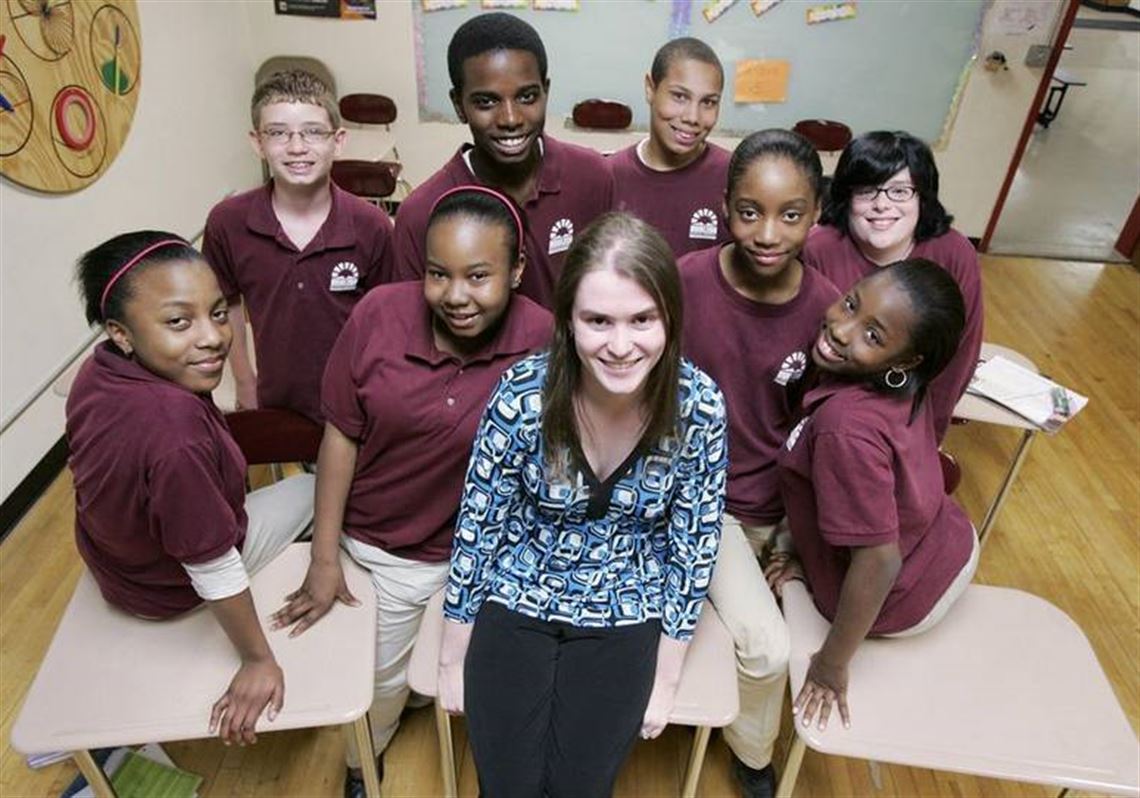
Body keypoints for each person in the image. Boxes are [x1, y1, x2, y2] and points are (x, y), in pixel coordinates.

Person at [269, 187, 551, 798]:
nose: (456, 296)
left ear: (518, 272)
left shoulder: (545, 339)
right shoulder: (377, 315)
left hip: (488, 559)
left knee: (484, 683)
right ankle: (361, 766)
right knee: (384, 685)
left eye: (479, 276)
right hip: (384, 549)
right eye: (438, 274)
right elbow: (340, 436)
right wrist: (323, 559)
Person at [436, 212, 728, 797]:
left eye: (642, 319)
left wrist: (666, 679)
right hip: (519, 590)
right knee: (507, 787)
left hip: (627, 603)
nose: (621, 346)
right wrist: (451, 661)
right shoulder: (522, 396)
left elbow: (694, 548)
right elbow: (478, 529)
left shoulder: (699, 407)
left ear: (670, 316)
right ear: (568, 321)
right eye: (598, 320)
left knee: (580, 788)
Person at [66, 231, 314, 746]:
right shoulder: (175, 438)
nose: (212, 337)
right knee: (317, 489)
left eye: (219, 312)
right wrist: (257, 659)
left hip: (112, 563)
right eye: (179, 322)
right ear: (122, 332)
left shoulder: (97, 371)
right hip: (166, 588)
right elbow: (213, 566)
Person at [678, 128, 839, 796]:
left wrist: (804, 542)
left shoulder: (830, 310)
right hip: (710, 506)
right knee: (768, 646)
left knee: (834, 629)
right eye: (750, 212)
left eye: (790, 214)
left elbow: (831, 437)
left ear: (817, 213)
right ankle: (752, 756)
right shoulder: (683, 284)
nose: (768, 232)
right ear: (724, 205)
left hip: (788, 507)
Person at [768, 259, 978, 731]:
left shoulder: (846, 427)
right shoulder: (893, 385)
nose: (843, 330)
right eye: (850, 303)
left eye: (873, 336)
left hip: (910, 593)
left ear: (905, 362)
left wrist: (830, 665)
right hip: (947, 538)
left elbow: (880, 561)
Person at [203, 69, 396, 423]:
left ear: (338, 141)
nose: (296, 147)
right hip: (278, 395)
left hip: (356, 397)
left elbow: (388, 320)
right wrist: (245, 380)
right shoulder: (227, 223)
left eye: (313, 132)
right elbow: (224, 303)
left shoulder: (372, 226)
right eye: (278, 133)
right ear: (257, 142)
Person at [391, 12, 614, 308]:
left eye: (527, 97)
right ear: (459, 105)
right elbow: (411, 331)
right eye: (487, 102)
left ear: (545, 92)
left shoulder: (591, 176)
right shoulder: (421, 213)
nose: (510, 119)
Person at [801, 130, 983, 440]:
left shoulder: (954, 253)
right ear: (847, 196)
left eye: (899, 192)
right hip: (825, 411)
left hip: (909, 413)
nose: (882, 205)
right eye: (867, 190)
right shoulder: (818, 247)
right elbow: (803, 348)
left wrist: (927, 433)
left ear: (922, 197)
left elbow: (959, 355)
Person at [611, 36, 731, 256]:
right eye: (679, 96)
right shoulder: (608, 176)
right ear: (650, 89)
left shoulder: (735, 177)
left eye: (708, 102)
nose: (693, 117)